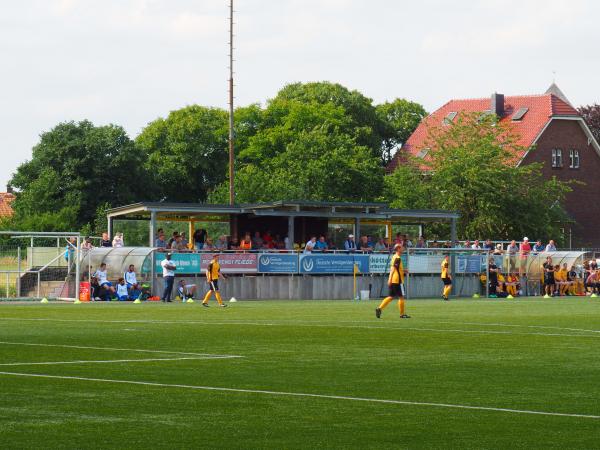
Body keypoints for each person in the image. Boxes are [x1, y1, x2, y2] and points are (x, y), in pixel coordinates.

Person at [375, 244, 409, 319]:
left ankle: (379, 308)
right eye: (402, 247)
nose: (403, 248)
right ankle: (402, 314)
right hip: (398, 280)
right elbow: (393, 269)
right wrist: (389, 279)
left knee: (390, 296)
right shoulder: (397, 258)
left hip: (394, 280)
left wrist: (403, 270)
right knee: (401, 297)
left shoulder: (394, 256)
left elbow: (395, 268)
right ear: (398, 249)